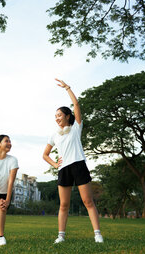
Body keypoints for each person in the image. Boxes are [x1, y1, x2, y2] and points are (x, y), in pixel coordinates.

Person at [43, 79, 104, 244]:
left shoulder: (76, 128)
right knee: (63, 205)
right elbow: (45, 155)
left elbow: (76, 105)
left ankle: (97, 234)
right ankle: (61, 236)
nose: (56, 118)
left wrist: (68, 88)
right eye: (55, 116)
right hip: (64, 170)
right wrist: (56, 164)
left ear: (67, 116)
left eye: (59, 115)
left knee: (88, 201)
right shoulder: (54, 135)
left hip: (78, 165)